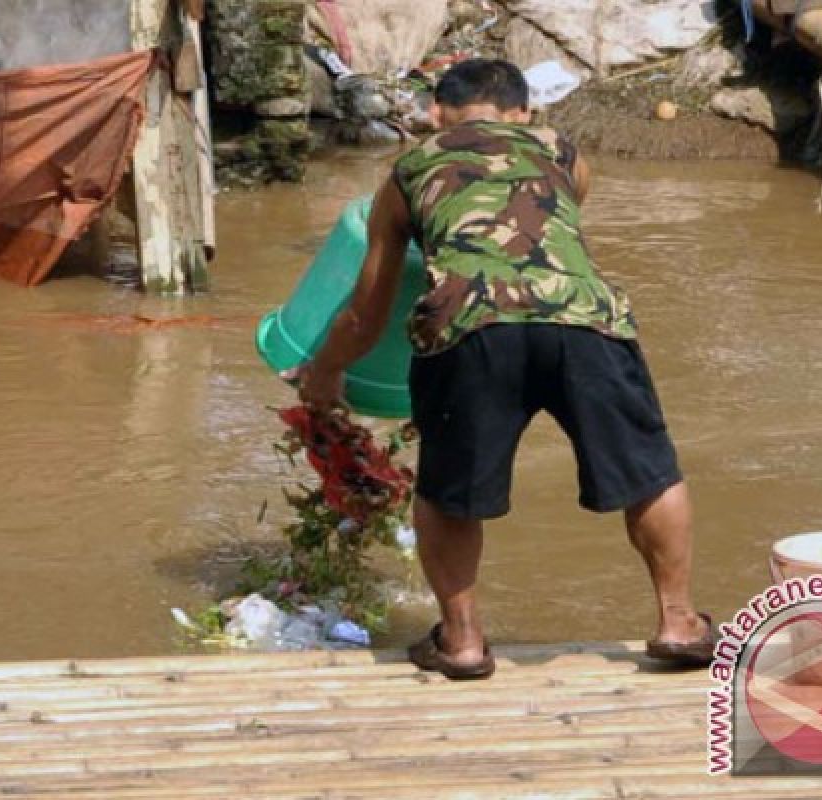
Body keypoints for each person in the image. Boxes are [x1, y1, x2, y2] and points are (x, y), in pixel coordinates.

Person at [294, 58, 715, 679]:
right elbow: (549, 241)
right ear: (525, 113)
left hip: (470, 326)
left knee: (449, 492)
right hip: (586, 323)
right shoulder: (564, 153)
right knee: (649, 472)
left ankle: (462, 642)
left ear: (435, 113)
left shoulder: (410, 167)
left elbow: (367, 309)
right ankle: (678, 623)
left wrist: (323, 373)